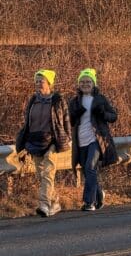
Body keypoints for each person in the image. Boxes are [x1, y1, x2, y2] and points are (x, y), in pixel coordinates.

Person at [15, 69, 70, 217]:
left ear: (49, 83)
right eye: (37, 81)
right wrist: (24, 140)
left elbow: (65, 120)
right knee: (41, 175)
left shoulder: (58, 100)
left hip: (52, 140)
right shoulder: (33, 100)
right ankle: (55, 201)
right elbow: (27, 122)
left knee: (47, 173)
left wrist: (67, 138)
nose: (39, 83)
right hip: (35, 140)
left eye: (42, 81)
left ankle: (44, 205)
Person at [69, 69, 118, 212]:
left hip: (96, 139)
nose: (85, 84)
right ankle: (99, 194)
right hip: (80, 141)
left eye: (88, 82)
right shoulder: (74, 101)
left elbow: (113, 116)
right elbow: (70, 121)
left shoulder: (100, 99)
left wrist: (102, 113)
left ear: (93, 84)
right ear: (79, 84)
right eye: (82, 82)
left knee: (90, 166)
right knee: (87, 171)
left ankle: (88, 202)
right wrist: (75, 113)